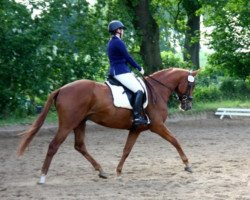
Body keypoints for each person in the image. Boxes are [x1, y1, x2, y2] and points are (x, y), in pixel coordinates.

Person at [107, 20, 148, 126]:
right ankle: (137, 116)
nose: (122, 31)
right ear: (117, 30)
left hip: (119, 70)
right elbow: (127, 57)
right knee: (139, 90)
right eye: (121, 29)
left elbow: (123, 59)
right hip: (120, 71)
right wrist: (139, 68)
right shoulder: (117, 42)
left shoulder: (112, 42)